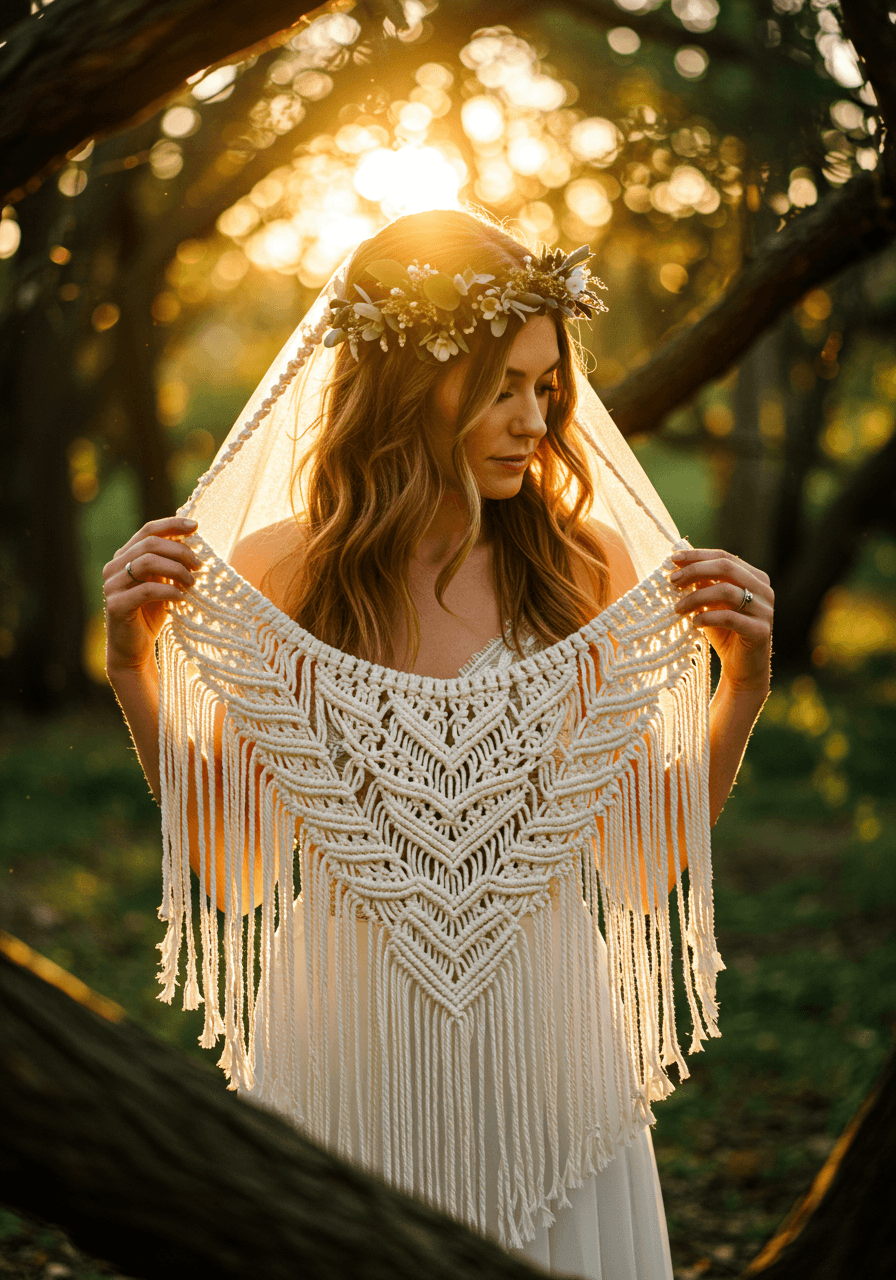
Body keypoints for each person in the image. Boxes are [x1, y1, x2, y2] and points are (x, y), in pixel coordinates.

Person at [103, 209, 772, 1280]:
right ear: (412, 383)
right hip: (336, 1054)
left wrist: (737, 691)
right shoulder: (284, 573)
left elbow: (642, 863)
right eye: (504, 385)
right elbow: (226, 868)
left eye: (545, 388)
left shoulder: (580, 567)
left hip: (548, 1058)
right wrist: (137, 675)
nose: (536, 422)